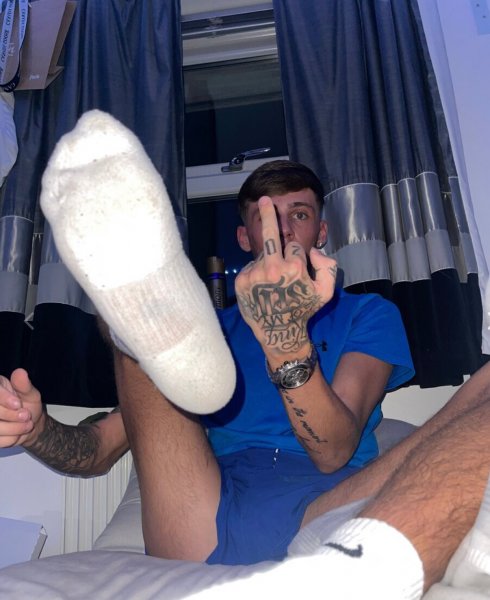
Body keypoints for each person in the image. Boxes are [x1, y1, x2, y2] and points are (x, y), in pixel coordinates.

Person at [2, 110, 487, 597]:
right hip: (204, 513)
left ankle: (150, 311)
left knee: (482, 393)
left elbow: (333, 452)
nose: (284, 230)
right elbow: (97, 450)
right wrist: (36, 431)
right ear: (244, 237)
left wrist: (285, 339)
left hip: (332, 504)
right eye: (265, 218)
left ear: (321, 231)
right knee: (143, 343)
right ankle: (133, 300)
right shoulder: (205, 333)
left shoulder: (368, 313)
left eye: (299, 215)